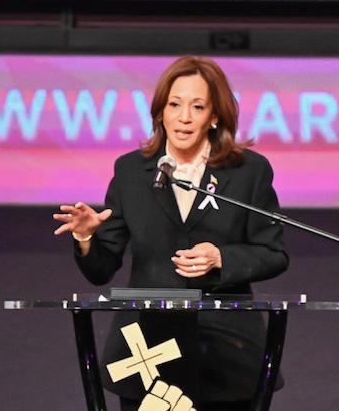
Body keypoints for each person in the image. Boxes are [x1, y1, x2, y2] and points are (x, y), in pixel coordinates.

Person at [53, 56, 289, 411]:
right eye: (174, 105)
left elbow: (274, 253)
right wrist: (86, 238)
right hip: (147, 352)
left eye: (197, 107)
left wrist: (222, 258)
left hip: (225, 352)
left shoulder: (248, 171)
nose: (184, 117)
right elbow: (101, 270)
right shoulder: (131, 171)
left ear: (214, 116)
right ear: (160, 112)